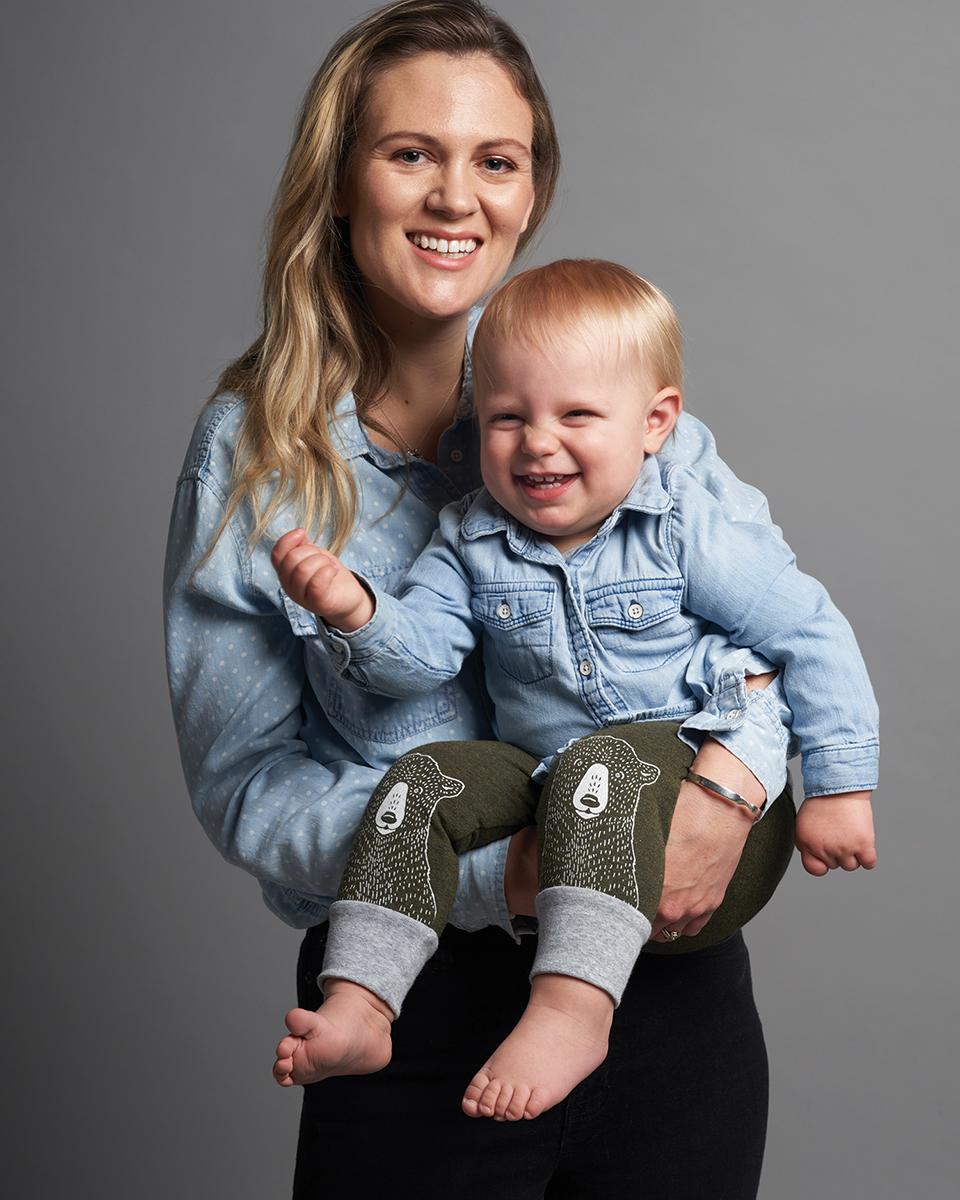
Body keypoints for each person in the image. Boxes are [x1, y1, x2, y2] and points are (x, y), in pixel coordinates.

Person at [163, 2, 864, 1194]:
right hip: (409, 1004)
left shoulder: (598, 376)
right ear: (339, 183)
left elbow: (768, 630)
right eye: (410, 155)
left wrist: (733, 790)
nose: (456, 198)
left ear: (531, 192)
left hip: (663, 990)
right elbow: (249, 792)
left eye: (496, 160)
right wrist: (515, 870)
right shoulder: (254, 458)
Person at [269, 259, 878, 1122]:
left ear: (656, 422)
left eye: (577, 416)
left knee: (605, 768)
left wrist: (842, 785)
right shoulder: (471, 537)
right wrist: (358, 611)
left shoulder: (683, 528)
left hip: (696, 787)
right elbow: (422, 659)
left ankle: (570, 1010)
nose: (537, 443)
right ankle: (364, 1001)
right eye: (507, 418)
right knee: (425, 781)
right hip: (553, 778)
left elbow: (808, 631)